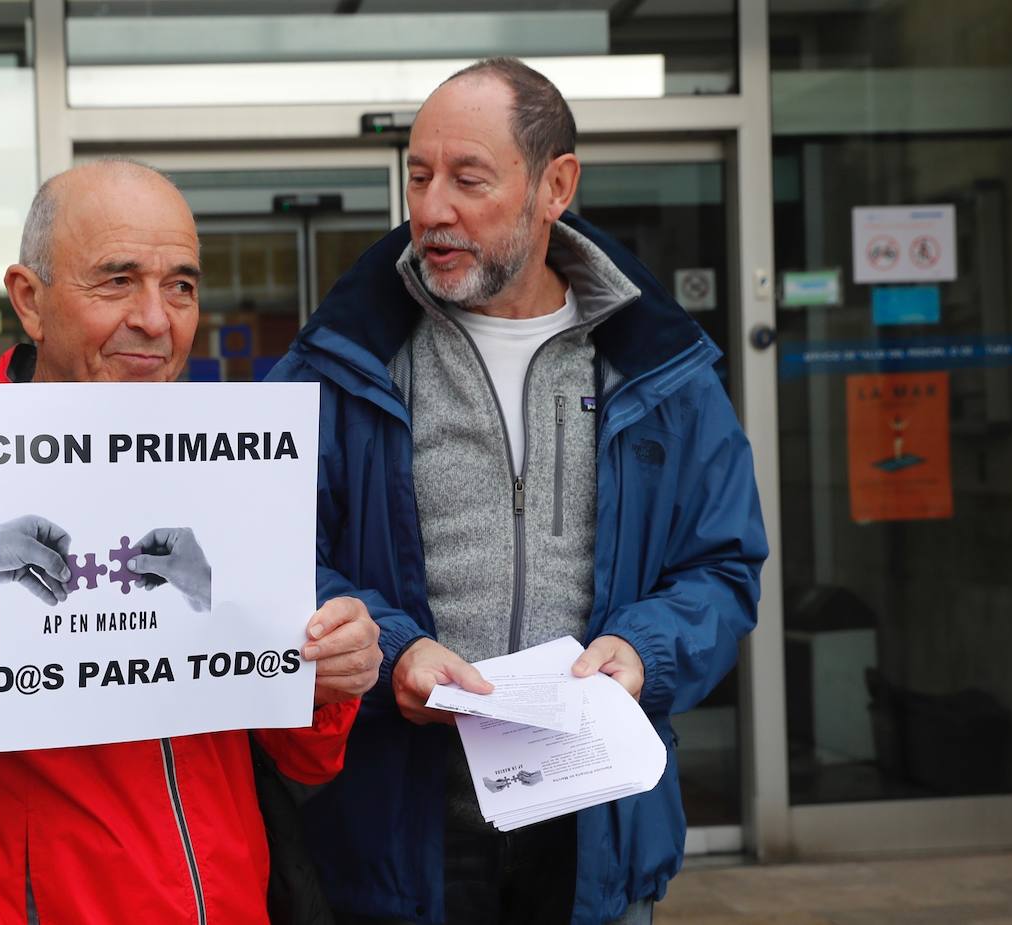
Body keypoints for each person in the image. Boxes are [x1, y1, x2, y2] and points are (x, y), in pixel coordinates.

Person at [0, 159, 383, 923]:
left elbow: (302, 755)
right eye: (118, 280)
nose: (157, 317)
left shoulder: (234, 478)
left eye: (181, 283)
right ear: (29, 300)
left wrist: (330, 679)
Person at [266, 58, 768, 925]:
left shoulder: (664, 369)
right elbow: (269, 557)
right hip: (395, 838)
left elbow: (723, 566)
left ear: (555, 185)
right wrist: (392, 651)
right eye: (418, 177)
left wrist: (644, 650)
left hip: (593, 838)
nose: (431, 209)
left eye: (468, 179)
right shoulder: (338, 365)